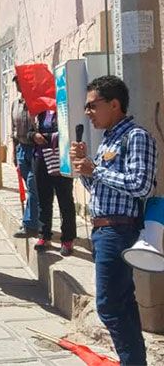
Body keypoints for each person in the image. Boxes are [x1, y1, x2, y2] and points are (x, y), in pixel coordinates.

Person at [71, 76, 157, 366]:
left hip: (118, 230)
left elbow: (141, 185)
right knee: (122, 303)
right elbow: (100, 187)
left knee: (108, 306)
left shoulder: (136, 136)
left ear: (114, 104)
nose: (87, 112)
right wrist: (85, 169)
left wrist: (95, 170)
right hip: (103, 230)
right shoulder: (108, 138)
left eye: (92, 105)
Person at [28, 109, 77, 255]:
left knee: (65, 200)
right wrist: (34, 135)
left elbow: (70, 129)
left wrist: (51, 136)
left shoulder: (64, 107)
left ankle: (68, 240)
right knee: (43, 199)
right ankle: (45, 236)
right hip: (41, 158)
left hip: (61, 158)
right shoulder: (40, 112)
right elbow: (30, 132)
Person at [11, 76, 40, 238]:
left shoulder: (36, 103)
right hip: (21, 148)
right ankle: (37, 219)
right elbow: (13, 129)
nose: (18, 86)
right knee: (30, 187)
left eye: (21, 82)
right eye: (17, 83)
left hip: (35, 149)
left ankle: (30, 224)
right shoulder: (15, 104)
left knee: (32, 185)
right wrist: (15, 152)